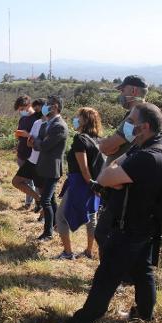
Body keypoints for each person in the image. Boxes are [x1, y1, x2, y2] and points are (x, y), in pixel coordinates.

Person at [45, 103, 162, 323]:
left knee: (106, 276)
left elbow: (105, 176)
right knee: (143, 271)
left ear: (144, 126)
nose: (126, 126)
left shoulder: (147, 156)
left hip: (129, 227)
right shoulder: (161, 148)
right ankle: (144, 315)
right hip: (146, 224)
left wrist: (115, 164)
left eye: (130, 121)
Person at [54, 107, 105, 260]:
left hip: (81, 183)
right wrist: (96, 186)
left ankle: (68, 253)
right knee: (92, 217)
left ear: (85, 120)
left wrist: (89, 183)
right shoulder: (99, 140)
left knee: (61, 216)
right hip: (95, 183)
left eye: (79, 116)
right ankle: (89, 251)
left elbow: (83, 168)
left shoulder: (80, 139)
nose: (76, 119)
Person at [30, 95, 68, 241]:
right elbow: (37, 142)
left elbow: (44, 145)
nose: (46, 106)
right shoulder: (47, 124)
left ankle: (48, 233)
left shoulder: (59, 126)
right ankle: (55, 225)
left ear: (56, 106)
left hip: (52, 168)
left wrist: (38, 142)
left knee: (45, 200)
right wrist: (38, 142)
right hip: (43, 166)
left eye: (49, 104)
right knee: (50, 200)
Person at [99, 75, 148, 165]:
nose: (121, 95)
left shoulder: (135, 118)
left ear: (133, 91)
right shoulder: (147, 113)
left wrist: (104, 143)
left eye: (122, 90)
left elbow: (105, 147)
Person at [12, 98, 45, 211]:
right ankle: (34, 202)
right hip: (22, 153)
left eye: (22, 109)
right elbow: (19, 133)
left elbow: (37, 138)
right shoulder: (23, 119)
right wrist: (18, 135)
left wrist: (27, 135)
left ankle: (35, 204)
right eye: (20, 110)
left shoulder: (37, 119)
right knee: (25, 181)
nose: (21, 111)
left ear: (29, 105)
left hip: (32, 154)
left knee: (34, 182)